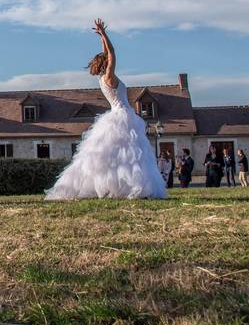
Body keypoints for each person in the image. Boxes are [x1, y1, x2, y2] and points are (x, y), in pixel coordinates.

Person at [45, 19, 167, 200]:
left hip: (117, 114)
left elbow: (106, 53)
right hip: (122, 115)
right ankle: (133, 187)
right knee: (132, 153)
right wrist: (104, 34)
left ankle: (120, 187)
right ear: (105, 64)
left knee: (119, 155)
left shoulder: (102, 79)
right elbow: (112, 53)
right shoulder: (109, 76)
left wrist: (101, 36)